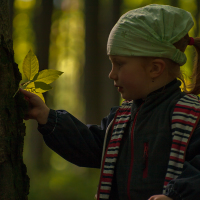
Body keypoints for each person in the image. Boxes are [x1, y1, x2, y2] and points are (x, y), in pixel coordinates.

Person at [20, 4, 200, 200]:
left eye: (119, 64)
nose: (111, 74)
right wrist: (47, 117)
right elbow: (89, 146)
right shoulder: (121, 119)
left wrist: (177, 196)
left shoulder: (192, 117)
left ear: (155, 68)